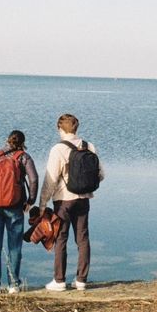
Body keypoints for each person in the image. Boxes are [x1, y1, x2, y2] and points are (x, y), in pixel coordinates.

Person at [39, 113, 104, 291]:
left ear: (60, 128)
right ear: (76, 128)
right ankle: (81, 280)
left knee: (61, 238)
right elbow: (101, 175)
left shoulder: (57, 149)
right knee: (82, 239)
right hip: (84, 199)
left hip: (63, 201)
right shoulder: (89, 146)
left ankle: (59, 281)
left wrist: (42, 203)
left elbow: (50, 179)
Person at [0, 130, 39, 294]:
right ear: (23, 142)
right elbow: (33, 179)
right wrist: (31, 201)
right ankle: (14, 284)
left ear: (7, 140)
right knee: (14, 246)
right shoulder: (24, 157)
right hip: (15, 206)